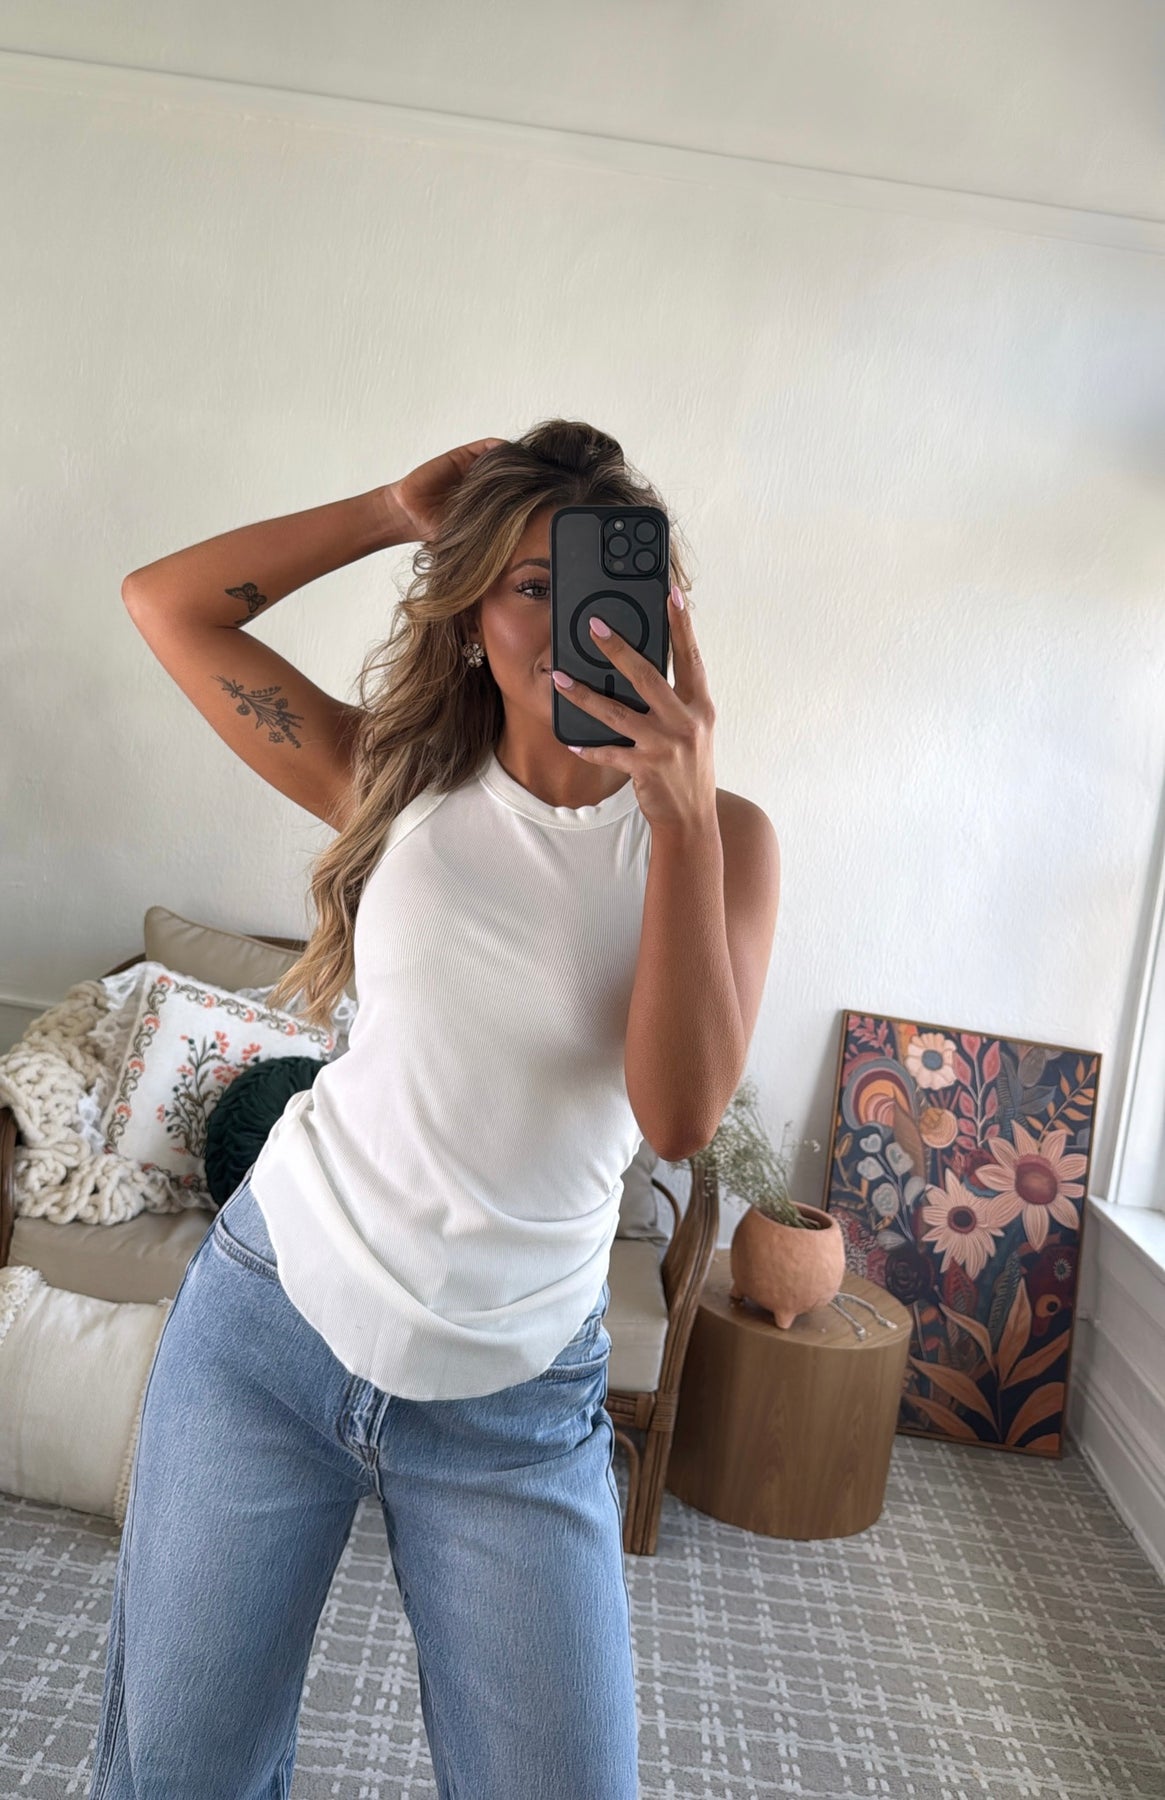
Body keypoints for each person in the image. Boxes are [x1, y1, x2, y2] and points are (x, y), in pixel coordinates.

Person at [87, 419, 780, 1799]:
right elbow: (165, 604)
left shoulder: (726, 841)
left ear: (665, 608)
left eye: (604, 582)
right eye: (526, 584)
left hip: (517, 1399)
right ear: (468, 617)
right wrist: (387, 511)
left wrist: (684, 816)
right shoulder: (392, 781)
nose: (571, 619)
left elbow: (679, 1116)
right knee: (179, 1777)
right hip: (271, 1327)